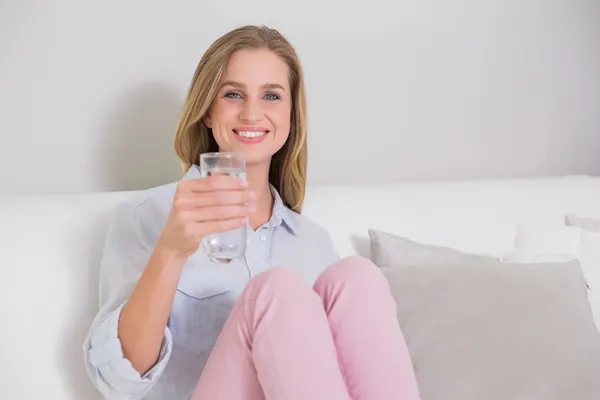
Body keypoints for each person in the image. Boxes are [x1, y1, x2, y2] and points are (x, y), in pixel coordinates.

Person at [83, 25, 420, 400]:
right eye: (232, 94)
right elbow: (118, 382)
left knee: (359, 276)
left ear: (291, 117)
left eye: (271, 96)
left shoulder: (313, 242)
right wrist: (172, 250)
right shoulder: (146, 215)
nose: (251, 113)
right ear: (207, 111)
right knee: (277, 291)